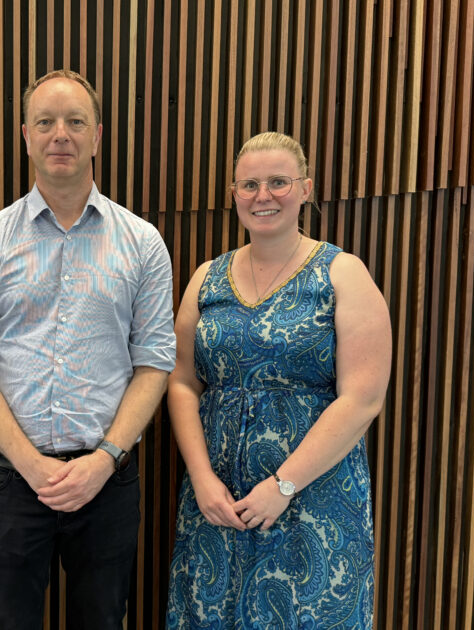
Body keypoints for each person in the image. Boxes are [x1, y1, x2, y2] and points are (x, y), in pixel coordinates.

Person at [0, 69, 176, 629]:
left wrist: (104, 459)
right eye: (46, 122)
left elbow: (154, 362)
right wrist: (31, 465)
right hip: (11, 478)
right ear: (25, 135)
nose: (60, 135)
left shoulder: (142, 242)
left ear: (98, 135)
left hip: (107, 478)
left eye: (75, 122)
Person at [166, 132, 391, 628]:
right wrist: (202, 479)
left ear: (305, 189)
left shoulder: (343, 274)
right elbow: (182, 381)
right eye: (249, 184)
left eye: (277, 182)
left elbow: (362, 399)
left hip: (314, 501)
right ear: (234, 194)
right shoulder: (206, 278)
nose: (262, 195)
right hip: (218, 502)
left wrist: (284, 484)